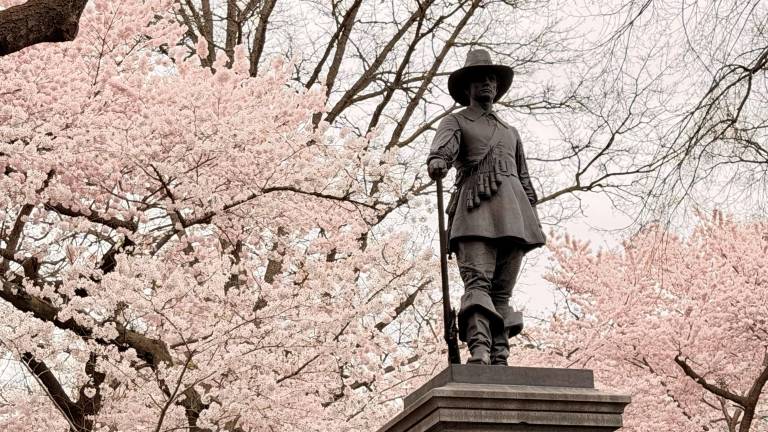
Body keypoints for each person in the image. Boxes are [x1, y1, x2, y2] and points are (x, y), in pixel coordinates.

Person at [427, 49, 546, 365]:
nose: (488, 84)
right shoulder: (456, 121)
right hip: (475, 212)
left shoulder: (510, 132)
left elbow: (524, 178)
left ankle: (500, 352)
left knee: (502, 291)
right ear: (467, 86)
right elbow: (442, 154)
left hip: (514, 216)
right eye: (481, 79)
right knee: (478, 280)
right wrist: (438, 161)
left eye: (492, 79)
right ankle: (479, 347)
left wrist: (531, 215)